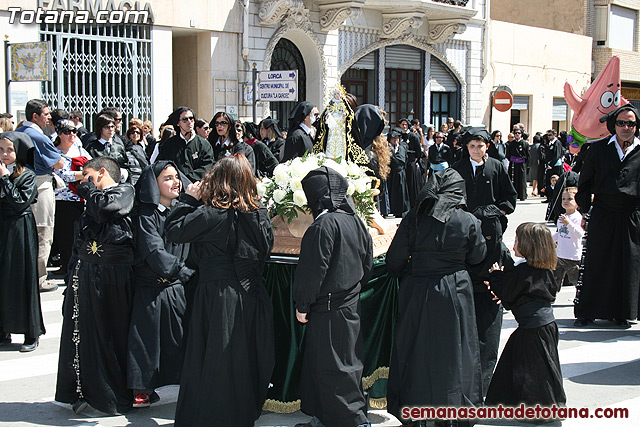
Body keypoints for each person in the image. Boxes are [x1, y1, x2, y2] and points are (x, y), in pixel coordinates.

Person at [165, 154, 274, 427]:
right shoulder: (259, 214)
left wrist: (188, 200)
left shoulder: (210, 214)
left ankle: (214, 415)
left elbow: (174, 231)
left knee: (216, 355)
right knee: (243, 355)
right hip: (251, 293)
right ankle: (241, 413)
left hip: (217, 293)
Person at [386, 168, 486, 427]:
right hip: (455, 290)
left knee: (415, 347)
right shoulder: (467, 220)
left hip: (418, 288)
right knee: (456, 350)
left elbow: (394, 259)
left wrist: (409, 273)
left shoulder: (414, 217)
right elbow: (478, 257)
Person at [293, 166, 373, 427]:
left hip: (329, 307)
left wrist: (302, 304)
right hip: (350, 305)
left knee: (335, 369)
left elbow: (311, 272)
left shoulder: (323, 225)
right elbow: (368, 263)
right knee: (343, 363)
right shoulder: (354, 220)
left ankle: (354, 421)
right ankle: (325, 418)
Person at [55, 157, 136, 415]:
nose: (83, 182)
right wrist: (70, 281)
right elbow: (79, 240)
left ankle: (115, 396)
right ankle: (81, 391)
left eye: (87, 175)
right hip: (86, 271)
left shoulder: (124, 191)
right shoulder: (91, 200)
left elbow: (105, 210)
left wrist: (89, 190)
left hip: (114, 276)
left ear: (101, 173)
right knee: (81, 334)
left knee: (112, 335)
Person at [452, 128, 517, 398]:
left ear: (487, 146)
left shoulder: (497, 168)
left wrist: (493, 213)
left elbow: (510, 200)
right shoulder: (457, 169)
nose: (476, 150)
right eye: (472, 146)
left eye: (480, 146)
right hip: (464, 241)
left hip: (490, 239)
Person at [127, 162, 194, 408]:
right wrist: (181, 270)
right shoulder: (145, 215)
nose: (175, 182)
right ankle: (143, 388)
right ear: (153, 184)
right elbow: (153, 251)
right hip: (151, 288)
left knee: (178, 339)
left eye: (176, 177)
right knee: (146, 341)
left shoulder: (181, 211)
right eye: (167, 178)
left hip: (176, 288)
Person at [485, 223, 566, 412]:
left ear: (529, 245)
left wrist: (496, 276)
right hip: (543, 326)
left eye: (517, 240)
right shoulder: (545, 270)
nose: (514, 244)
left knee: (534, 371)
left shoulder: (523, 272)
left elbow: (508, 293)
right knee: (537, 366)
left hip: (532, 330)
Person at [574, 104, 640, 327]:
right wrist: (584, 210)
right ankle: (588, 311)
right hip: (603, 212)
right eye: (621, 123)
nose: (626, 127)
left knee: (628, 264)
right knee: (597, 261)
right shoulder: (599, 149)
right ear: (614, 125)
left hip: (632, 215)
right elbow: (584, 184)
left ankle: (622, 312)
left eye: (631, 123)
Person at [0, 131, 45, 352]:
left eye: (9, 149)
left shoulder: (26, 174)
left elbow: (19, 202)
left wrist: (4, 179)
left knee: (22, 277)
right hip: (2, 226)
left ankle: (31, 332)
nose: (5, 154)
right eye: (0, 149)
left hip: (19, 228)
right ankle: (3, 329)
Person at [16, 99, 63, 292]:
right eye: (46, 114)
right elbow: (58, 163)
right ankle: (39, 278)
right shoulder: (39, 137)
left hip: (19, 185)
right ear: (35, 116)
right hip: (40, 185)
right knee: (43, 232)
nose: (49, 117)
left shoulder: (18, 133)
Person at [51, 120, 92, 276]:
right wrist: (82, 174)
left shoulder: (80, 150)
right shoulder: (55, 152)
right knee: (65, 236)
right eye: (67, 132)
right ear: (60, 134)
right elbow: (60, 175)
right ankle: (67, 267)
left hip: (80, 199)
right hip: (62, 200)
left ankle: (77, 266)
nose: (72, 135)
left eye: (74, 131)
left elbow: (92, 167)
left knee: (79, 235)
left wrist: (81, 175)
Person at [156, 106, 215, 183]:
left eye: (191, 118)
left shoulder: (204, 144)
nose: (189, 122)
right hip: (175, 187)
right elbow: (162, 165)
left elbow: (207, 167)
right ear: (178, 123)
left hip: (197, 188)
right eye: (185, 119)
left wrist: (187, 178)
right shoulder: (169, 144)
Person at [553, 187, 583, 287]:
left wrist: (569, 224)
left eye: (570, 199)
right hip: (560, 255)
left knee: (575, 280)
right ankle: (551, 297)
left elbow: (579, 234)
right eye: (563, 199)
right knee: (554, 279)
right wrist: (549, 239)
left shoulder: (577, 217)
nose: (566, 201)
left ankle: (580, 298)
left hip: (572, 256)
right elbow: (560, 234)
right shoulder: (562, 217)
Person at [84, 114, 129, 180]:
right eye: (107, 127)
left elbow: (126, 165)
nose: (110, 129)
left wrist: (124, 173)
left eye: (112, 126)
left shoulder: (119, 146)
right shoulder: (91, 148)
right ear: (100, 129)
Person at [387, 128, 410, 218]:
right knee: (391, 192)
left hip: (400, 172)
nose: (396, 140)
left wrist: (393, 158)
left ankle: (401, 211)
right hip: (390, 173)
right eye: (394, 138)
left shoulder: (401, 148)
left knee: (401, 192)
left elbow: (402, 160)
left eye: (397, 138)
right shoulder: (387, 149)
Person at [507, 128, 529, 201]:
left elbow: (527, 155)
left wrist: (523, 160)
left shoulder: (525, 143)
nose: (517, 134)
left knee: (522, 179)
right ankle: (514, 195)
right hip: (513, 163)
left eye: (518, 133)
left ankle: (522, 195)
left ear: (521, 134)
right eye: (516, 133)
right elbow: (508, 154)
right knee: (513, 179)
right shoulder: (512, 143)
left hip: (521, 164)